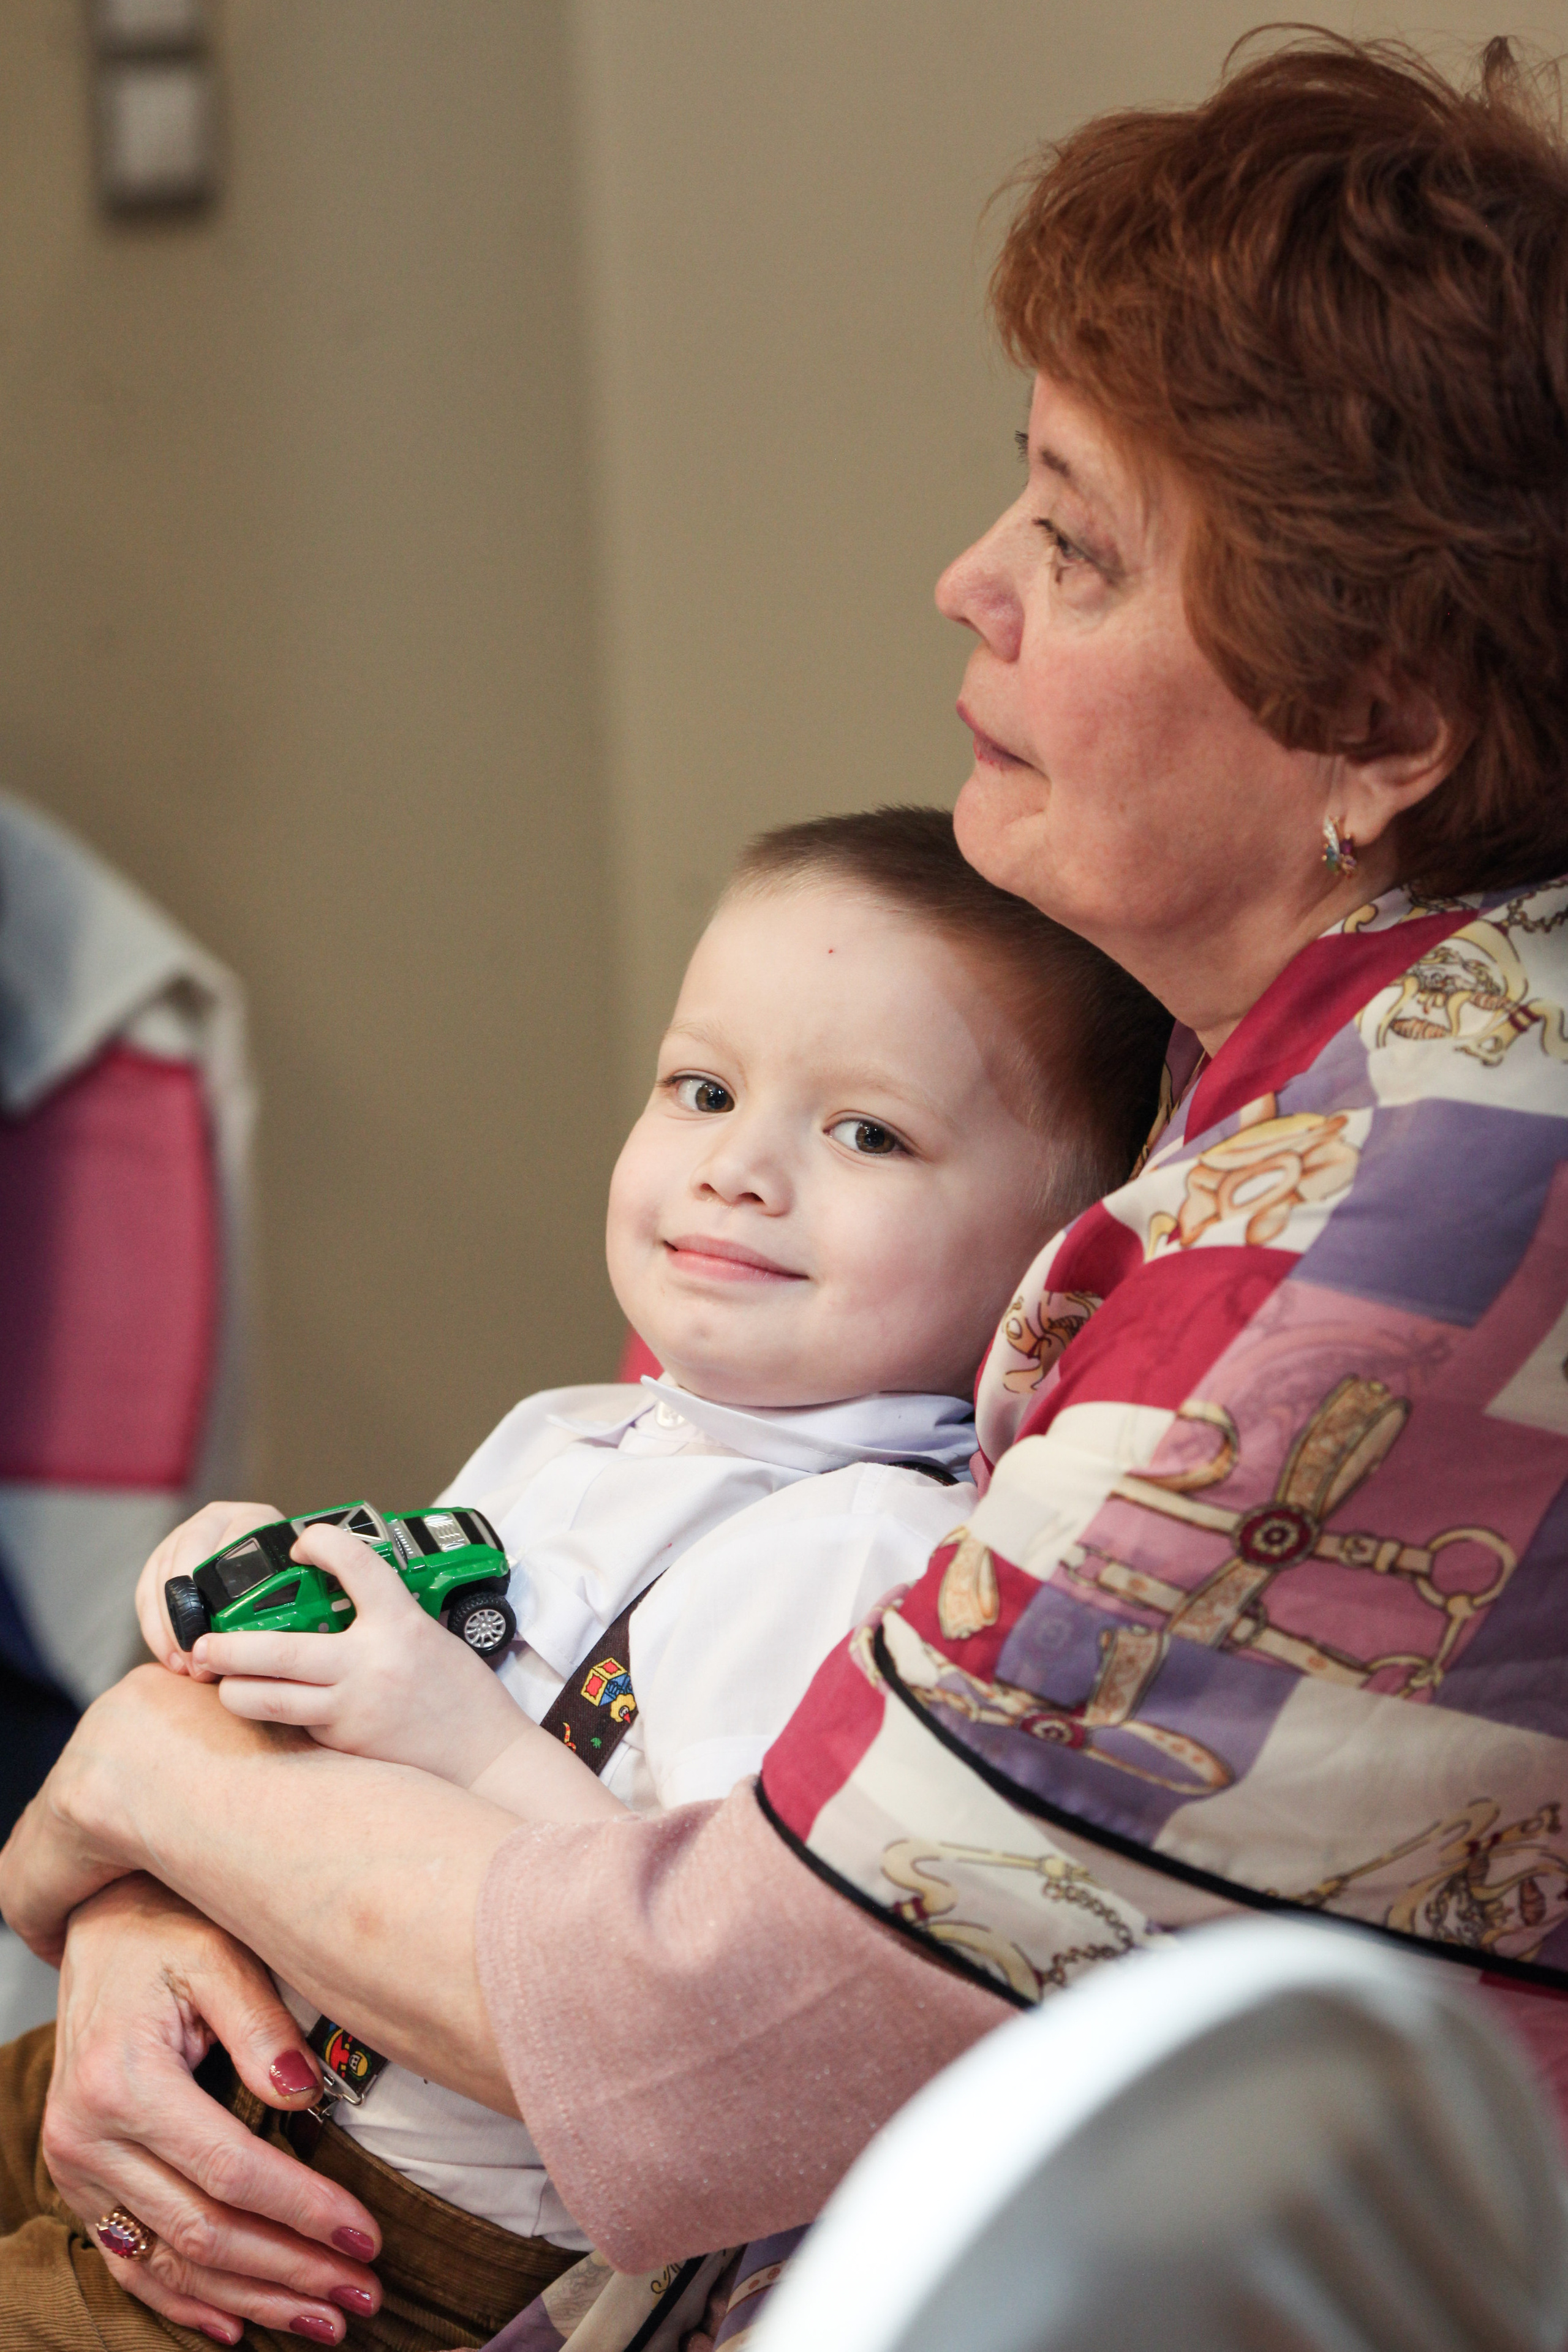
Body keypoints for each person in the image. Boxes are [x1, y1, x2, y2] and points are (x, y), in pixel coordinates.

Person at [7, 24, 1568, 2351]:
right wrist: (157, 1913)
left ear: (1382, 721)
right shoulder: (1275, 1101)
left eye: (1076, 537)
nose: (967, 584)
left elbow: (704, 2041)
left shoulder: (1398, 1221)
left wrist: (135, 1781)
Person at [0, 806, 1168, 2347]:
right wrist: (245, 1607)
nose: (739, 1167)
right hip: (240, 2047)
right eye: (702, 1088)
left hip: (382, 2235)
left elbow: (695, 1961)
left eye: (867, 1131)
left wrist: (453, 1735)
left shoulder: (865, 1550)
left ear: (1054, 1259)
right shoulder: (582, 1429)